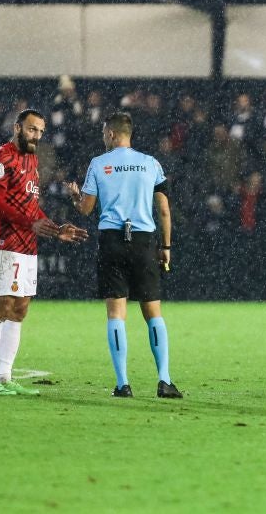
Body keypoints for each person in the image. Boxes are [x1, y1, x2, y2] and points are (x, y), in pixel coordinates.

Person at [67, 111, 182, 399]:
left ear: (113, 134)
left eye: (105, 132)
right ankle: (165, 381)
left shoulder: (99, 164)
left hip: (112, 240)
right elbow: (164, 210)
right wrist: (165, 247)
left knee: (116, 313)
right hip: (144, 241)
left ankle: (123, 384)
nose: (103, 136)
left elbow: (86, 209)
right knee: (153, 312)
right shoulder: (150, 163)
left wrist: (74, 197)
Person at [0, 109, 89, 396]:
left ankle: (4, 376)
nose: (36, 135)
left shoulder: (32, 160)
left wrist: (54, 228)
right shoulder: (0, 158)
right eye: (31, 129)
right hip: (5, 241)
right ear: (17, 128)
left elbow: (30, 206)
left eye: (40, 131)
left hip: (27, 243)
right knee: (2, 304)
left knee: (21, 308)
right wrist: (32, 222)